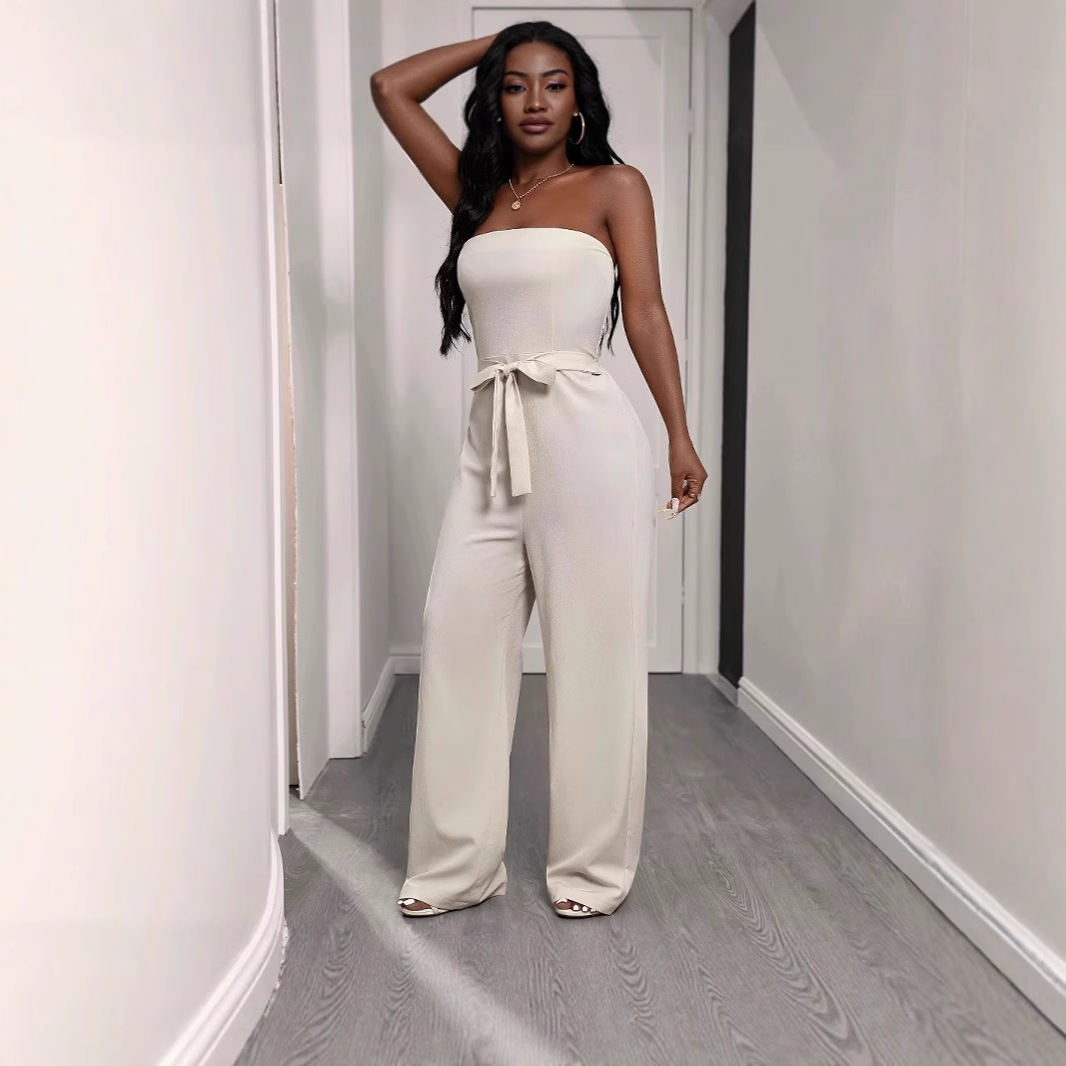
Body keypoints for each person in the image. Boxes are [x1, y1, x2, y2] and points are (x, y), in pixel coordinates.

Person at [370, 21, 707, 919]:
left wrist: (679, 434)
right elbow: (391, 88)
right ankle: (456, 866)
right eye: (515, 83)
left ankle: (590, 873)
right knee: (456, 637)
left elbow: (646, 312)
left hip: (587, 440)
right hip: (492, 444)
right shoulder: (476, 193)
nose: (534, 101)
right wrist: (495, 42)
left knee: (594, 656)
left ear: (579, 98)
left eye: (554, 83)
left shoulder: (615, 186)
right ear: (496, 97)